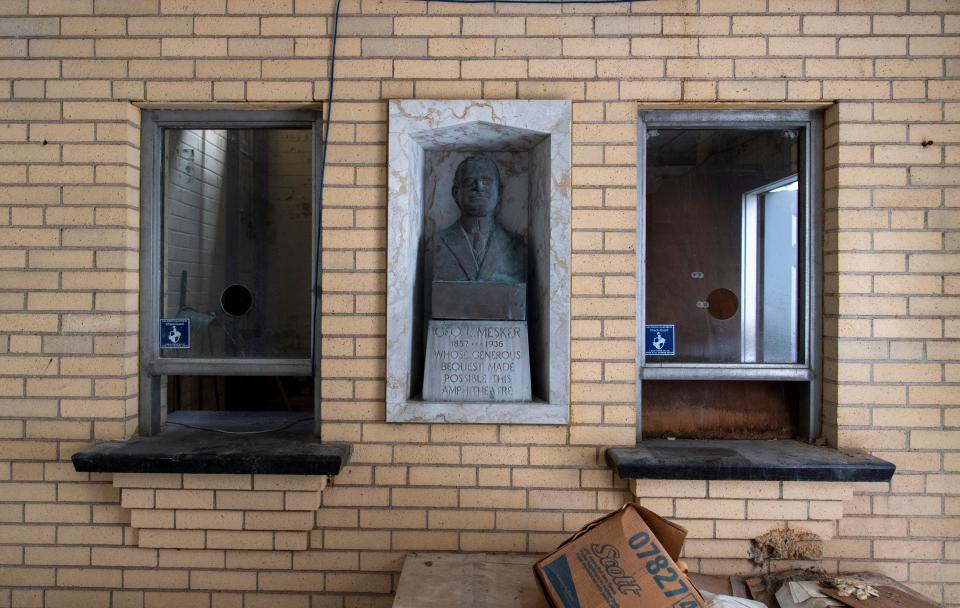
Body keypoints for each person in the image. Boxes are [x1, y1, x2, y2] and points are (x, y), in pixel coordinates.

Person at [432, 156, 526, 283]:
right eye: (469, 181)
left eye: (486, 181)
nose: (479, 187)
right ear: (455, 193)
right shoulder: (440, 241)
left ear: (499, 192)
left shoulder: (516, 244)